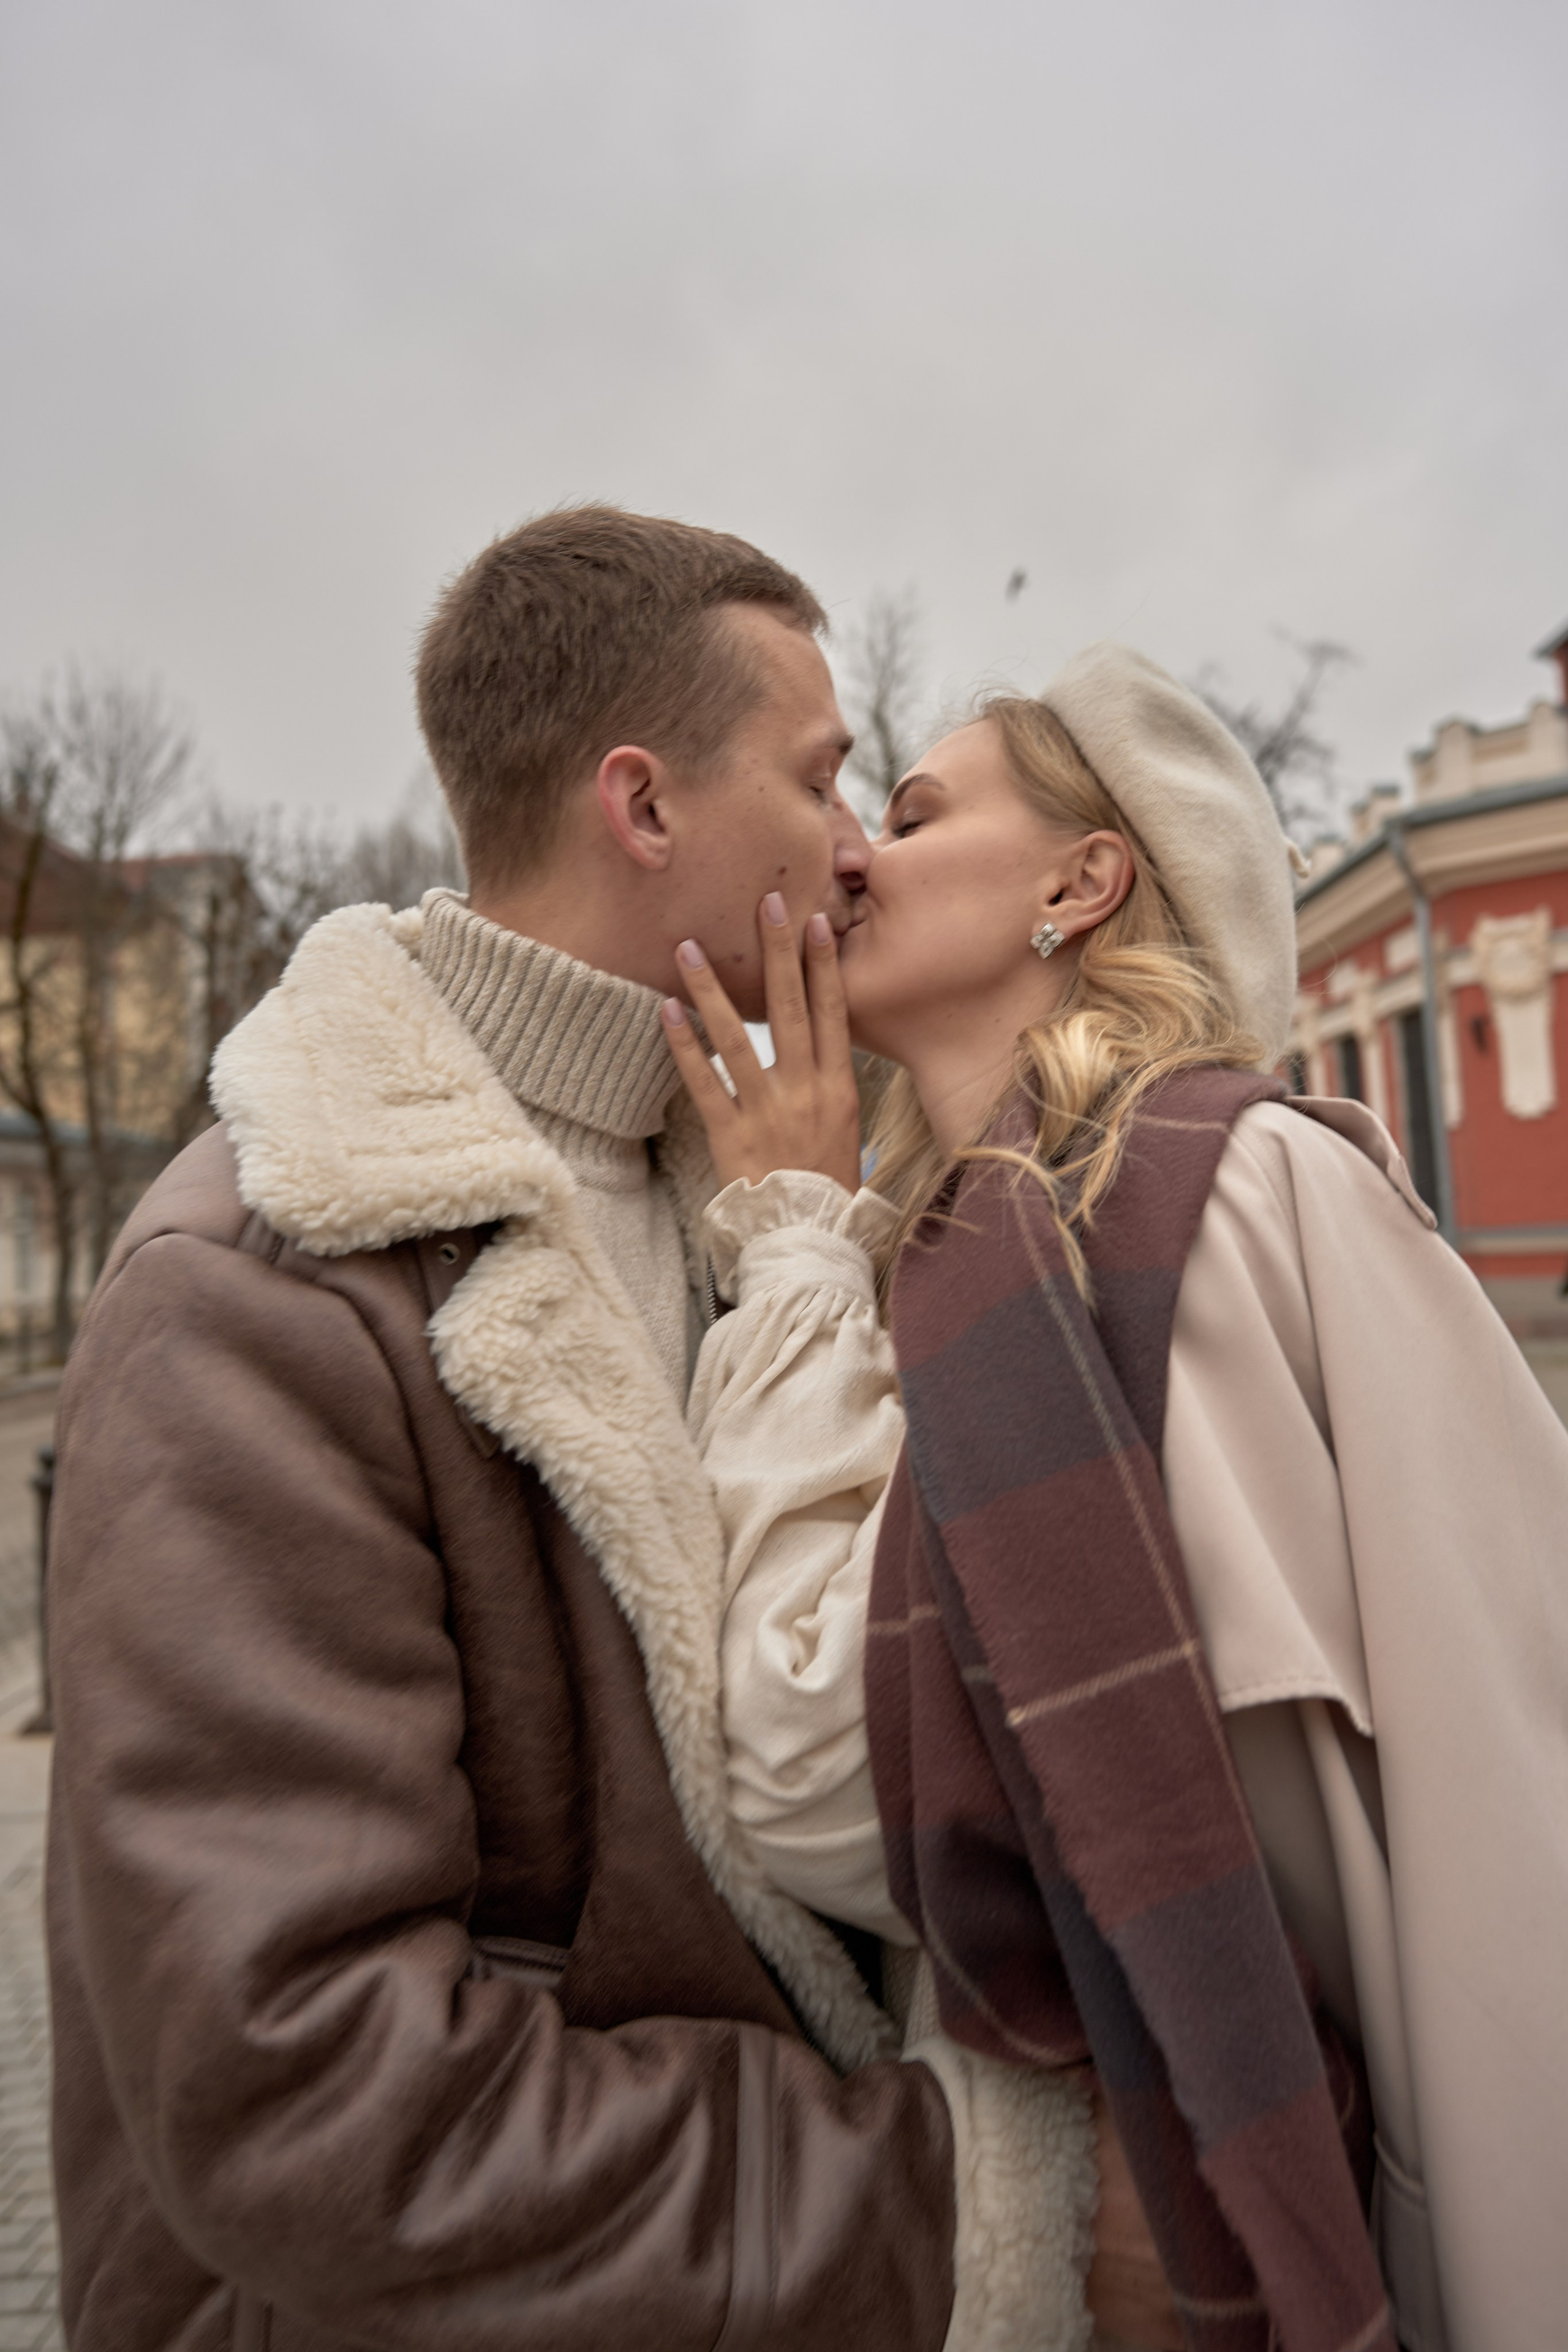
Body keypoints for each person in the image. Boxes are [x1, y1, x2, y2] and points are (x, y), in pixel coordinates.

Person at [45, 506, 1152, 2351]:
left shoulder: (749, 1181)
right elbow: (315, 2096)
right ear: (644, 809)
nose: (862, 845)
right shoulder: (256, 1283)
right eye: (821, 781)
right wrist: (964, 2202)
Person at [664, 647, 1568, 2352]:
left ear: (1082, 884)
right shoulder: (972, 1254)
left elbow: (1517, 1784)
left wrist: (787, 1239)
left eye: (917, 814)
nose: (851, 853)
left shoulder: (1245, 1190)